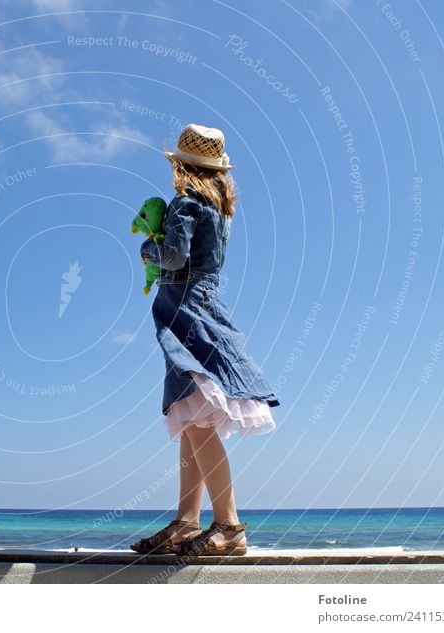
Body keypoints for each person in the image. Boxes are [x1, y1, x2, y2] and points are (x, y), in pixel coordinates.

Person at [130, 124, 280, 557]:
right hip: (204, 307)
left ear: (180, 165)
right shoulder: (219, 209)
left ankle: (229, 526)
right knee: (190, 417)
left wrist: (148, 251)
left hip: (185, 312)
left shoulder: (185, 203)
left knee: (195, 417)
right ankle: (185, 522)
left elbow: (174, 257)